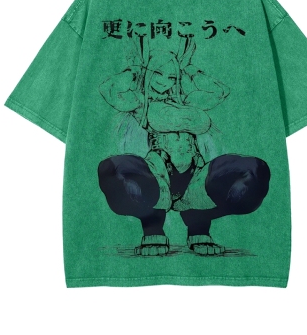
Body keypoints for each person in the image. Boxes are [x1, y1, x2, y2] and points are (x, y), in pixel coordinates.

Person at [98, 37, 270, 256]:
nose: (165, 81)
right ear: (148, 73)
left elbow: (219, 91)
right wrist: (135, 70)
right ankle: (153, 229)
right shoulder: (142, 104)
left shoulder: (188, 102)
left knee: (253, 170)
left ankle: (199, 228)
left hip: (196, 173)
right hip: (159, 172)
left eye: (172, 76)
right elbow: (110, 89)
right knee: (114, 169)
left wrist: (190, 69)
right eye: (158, 73)